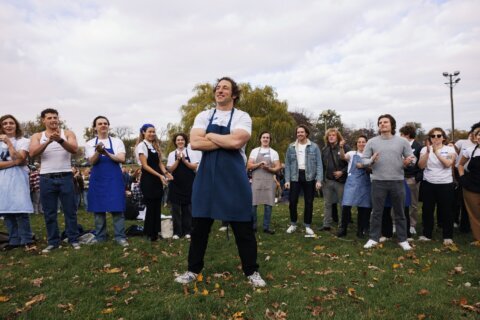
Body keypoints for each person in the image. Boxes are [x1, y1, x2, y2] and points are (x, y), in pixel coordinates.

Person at [175, 77, 266, 287]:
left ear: (234, 94)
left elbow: (236, 142)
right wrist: (223, 140)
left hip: (234, 179)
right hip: (206, 177)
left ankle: (251, 271)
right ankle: (192, 270)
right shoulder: (204, 115)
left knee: (243, 227)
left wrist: (210, 135)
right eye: (218, 87)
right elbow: (195, 143)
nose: (220, 90)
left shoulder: (242, 116)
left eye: (225, 87)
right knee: (199, 228)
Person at [29, 108, 81, 253]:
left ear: (58, 119)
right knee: (49, 212)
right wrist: (48, 142)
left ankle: (73, 239)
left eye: (55, 117)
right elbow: (32, 153)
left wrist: (59, 140)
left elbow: (74, 149)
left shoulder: (68, 133)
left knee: (70, 211)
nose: (53, 120)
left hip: (65, 176)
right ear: (43, 120)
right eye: (49, 118)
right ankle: (53, 241)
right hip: (46, 178)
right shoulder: (38, 135)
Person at [362, 114, 415, 251]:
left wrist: (409, 161)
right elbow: (363, 160)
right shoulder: (372, 142)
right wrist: (371, 160)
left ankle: (403, 239)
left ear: (392, 125)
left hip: (397, 181)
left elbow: (412, 158)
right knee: (376, 212)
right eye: (380, 122)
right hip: (378, 182)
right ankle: (373, 238)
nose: (382, 124)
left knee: (400, 212)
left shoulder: (402, 141)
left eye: (385, 122)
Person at [85, 116, 129, 246]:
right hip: (98, 179)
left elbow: (121, 158)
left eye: (105, 123)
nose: (103, 125)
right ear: (95, 127)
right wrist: (98, 152)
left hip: (114, 179)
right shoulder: (89, 143)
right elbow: (92, 161)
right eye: (100, 124)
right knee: (98, 209)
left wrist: (106, 152)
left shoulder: (117, 141)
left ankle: (120, 237)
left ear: (108, 126)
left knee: (117, 208)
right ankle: (100, 237)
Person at [0, 114, 34, 250]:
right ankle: (14, 240)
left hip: (18, 179)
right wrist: (16, 162)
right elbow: (18, 161)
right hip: (2, 180)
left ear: (16, 125)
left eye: (11, 123)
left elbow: (20, 157)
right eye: (5, 123)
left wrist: (9, 143)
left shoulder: (23, 141)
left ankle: (26, 239)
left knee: (20, 209)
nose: (8, 125)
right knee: (7, 211)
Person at [418, 128, 457, 245]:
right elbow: (420, 166)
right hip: (428, 183)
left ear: (443, 138)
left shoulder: (449, 149)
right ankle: (427, 234)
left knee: (447, 210)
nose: (436, 138)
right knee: (427, 210)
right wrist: (429, 152)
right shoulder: (425, 149)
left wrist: (436, 152)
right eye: (433, 136)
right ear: (430, 138)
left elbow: (448, 164)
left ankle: (447, 236)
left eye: (438, 135)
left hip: (445, 184)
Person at [135, 124, 173, 241]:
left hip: (157, 179)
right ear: (143, 132)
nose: (152, 134)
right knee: (151, 207)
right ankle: (149, 233)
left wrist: (166, 173)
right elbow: (145, 166)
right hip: (148, 179)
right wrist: (160, 175)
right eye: (149, 132)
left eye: (153, 132)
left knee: (157, 206)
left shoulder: (154, 146)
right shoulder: (142, 146)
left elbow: (160, 163)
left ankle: (156, 232)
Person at [284, 125, 323, 236]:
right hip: (295, 176)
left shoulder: (314, 147)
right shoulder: (291, 147)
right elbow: (287, 165)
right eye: (298, 132)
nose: (300, 134)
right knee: (292, 201)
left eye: (302, 132)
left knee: (309, 202)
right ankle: (293, 224)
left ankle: (307, 225)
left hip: (309, 177)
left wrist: (319, 180)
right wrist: (287, 180)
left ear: (306, 133)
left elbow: (319, 164)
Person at [337, 135, 371, 238]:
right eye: (359, 142)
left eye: (363, 142)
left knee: (363, 207)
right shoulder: (352, 154)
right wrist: (341, 147)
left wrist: (364, 166)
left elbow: (372, 169)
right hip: (352, 183)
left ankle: (360, 230)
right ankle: (343, 228)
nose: (361, 144)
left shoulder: (370, 156)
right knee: (346, 205)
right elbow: (342, 157)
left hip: (365, 183)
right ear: (356, 144)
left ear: (367, 143)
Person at [247, 131, 281, 234]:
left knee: (268, 204)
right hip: (256, 180)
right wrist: (259, 164)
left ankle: (266, 227)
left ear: (270, 140)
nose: (265, 139)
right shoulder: (254, 151)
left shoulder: (274, 152)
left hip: (269, 181)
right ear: (260, 139)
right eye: (263, 137)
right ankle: (253, 226)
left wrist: (269, 168)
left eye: (267, 137)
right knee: (253, 204)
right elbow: (249, 165)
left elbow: (278, 167)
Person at [167, 133, 198, 240]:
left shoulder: (191, 152)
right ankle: (177, 232)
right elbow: (170, 170)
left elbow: (194, 167)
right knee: (175, 209)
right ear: (175, 142)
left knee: (187, 209)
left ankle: (187, 231)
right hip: (175, 184)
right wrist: (178, 160)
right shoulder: (172, 154)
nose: (180, 141)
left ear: (185, 141)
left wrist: (184, 161)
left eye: (182, 140)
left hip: (188, 183)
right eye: (178, 140)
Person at [320, 128, 350, 231]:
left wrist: (342, 172)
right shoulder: (324, 150)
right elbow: (322, 166)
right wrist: (321, 179)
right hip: (327, 181)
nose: (331, 137)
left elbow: (351, 163)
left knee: (342, 204)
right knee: (327, 204)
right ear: (327, 138)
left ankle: (342, 225)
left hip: (340, 181)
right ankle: (326, 224)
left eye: (333, 135)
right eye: (329, 135)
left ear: (337, 137)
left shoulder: (345, 147)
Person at [399, 125, 423, 235]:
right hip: (399, 177)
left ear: (407, 135)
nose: (400, 136)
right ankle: (396, 223)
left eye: (401, 134)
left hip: (412, 178)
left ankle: (412, 224)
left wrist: (417, 176)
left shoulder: (418, 146)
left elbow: (420, 164)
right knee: (398, 202)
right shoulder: (399, 145)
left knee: (413, 203)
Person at [458, 127, 480, 242]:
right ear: (475, 137)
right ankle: (478, 239)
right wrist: (462, 177)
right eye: (478, 134)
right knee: (474, 214)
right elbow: (460, 165)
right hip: (471, 187)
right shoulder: (470, 150)